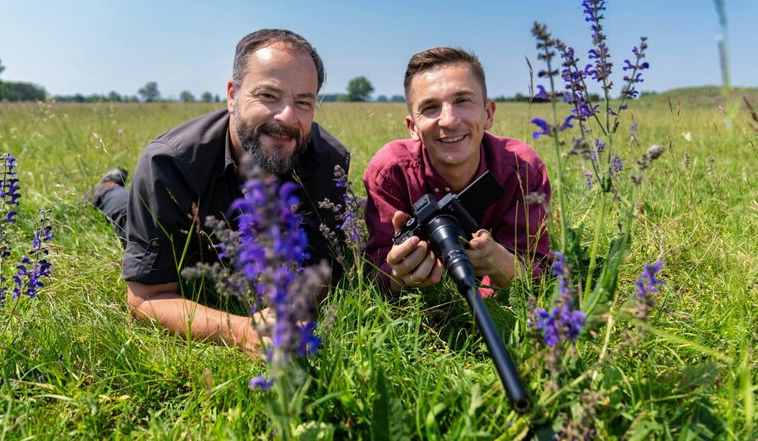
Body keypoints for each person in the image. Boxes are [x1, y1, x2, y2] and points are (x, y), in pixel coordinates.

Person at [87, 29, 350, 356]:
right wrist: (243, 331)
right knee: (126, 213)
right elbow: (146, 297)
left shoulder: (329, 161)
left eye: (302, 102)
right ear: (232, 94)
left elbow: (328, 267)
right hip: (189, 241)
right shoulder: (168, 164)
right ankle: (106, 188)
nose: (286, 117)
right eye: (268, 96)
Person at [363, 47, 550, 296]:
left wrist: (502, 263)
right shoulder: (390, 172)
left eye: (462, 101)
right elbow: (374, 274)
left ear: (488, 113)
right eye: (430, 107)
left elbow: (540, 269)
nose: (449, 120)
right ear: (413, 127)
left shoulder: (522, 168)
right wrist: (399, 276)